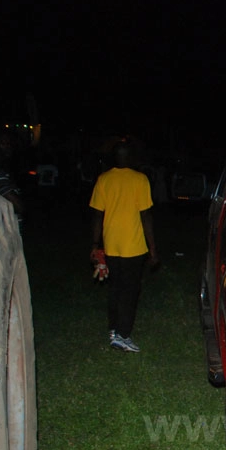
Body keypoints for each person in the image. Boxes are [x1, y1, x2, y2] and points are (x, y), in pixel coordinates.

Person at [89, 141, 158, 353]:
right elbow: (145, 215)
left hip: (111, 244)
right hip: (134, 246)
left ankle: (113, 329)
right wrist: (153, 250)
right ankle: (123, 335)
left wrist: (95, 244)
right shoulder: (140, 179)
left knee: (115, 289)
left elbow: (97, 215)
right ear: (131, 158)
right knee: (130, 291)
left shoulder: (104, 179)